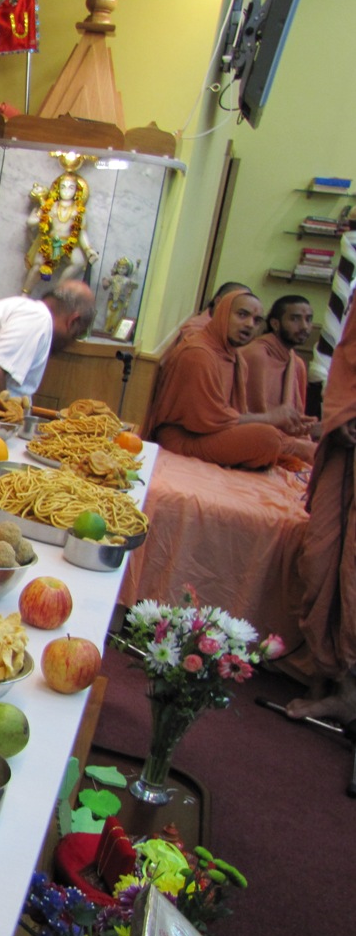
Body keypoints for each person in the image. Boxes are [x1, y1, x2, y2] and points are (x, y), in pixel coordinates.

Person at [140, 289, 314, 468]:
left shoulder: (234, 356)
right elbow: (208, 421)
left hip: (211, 432)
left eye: (256, 320)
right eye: (242, 315)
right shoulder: (198, 354)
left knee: (271, 438)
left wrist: (283, 422)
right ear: (222, 313)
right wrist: (270, 418)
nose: (249, 324)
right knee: (269, 438)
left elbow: (234, 413)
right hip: (184, 438)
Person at [290, 303, 356, 722]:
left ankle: (347, 689)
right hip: (345, 440)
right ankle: (324, 669)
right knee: (321, 557)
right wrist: (344, 413)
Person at [242, 296, 318, 440]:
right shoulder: (256, 354)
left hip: (282, 437)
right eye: (295, 319)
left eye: (308, 319)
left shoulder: (296, 363)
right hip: (256, 434)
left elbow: (296, 416)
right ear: (275, 324)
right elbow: (242, 413)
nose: (304, 327)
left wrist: (305, 425)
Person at [22, 172, 98, 295]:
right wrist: (41, 218)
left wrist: (88, 249)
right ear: (58, 189)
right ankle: (24, 293)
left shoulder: (79, 210)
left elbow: (82, 232)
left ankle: (58, 290)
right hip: (50, 242)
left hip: (69, 243)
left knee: (78, 262)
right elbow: (30, 222)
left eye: (71, 187)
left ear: (77, 191)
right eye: (63, 187)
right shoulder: (50, 206)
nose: (66, 191)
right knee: (37, 266)